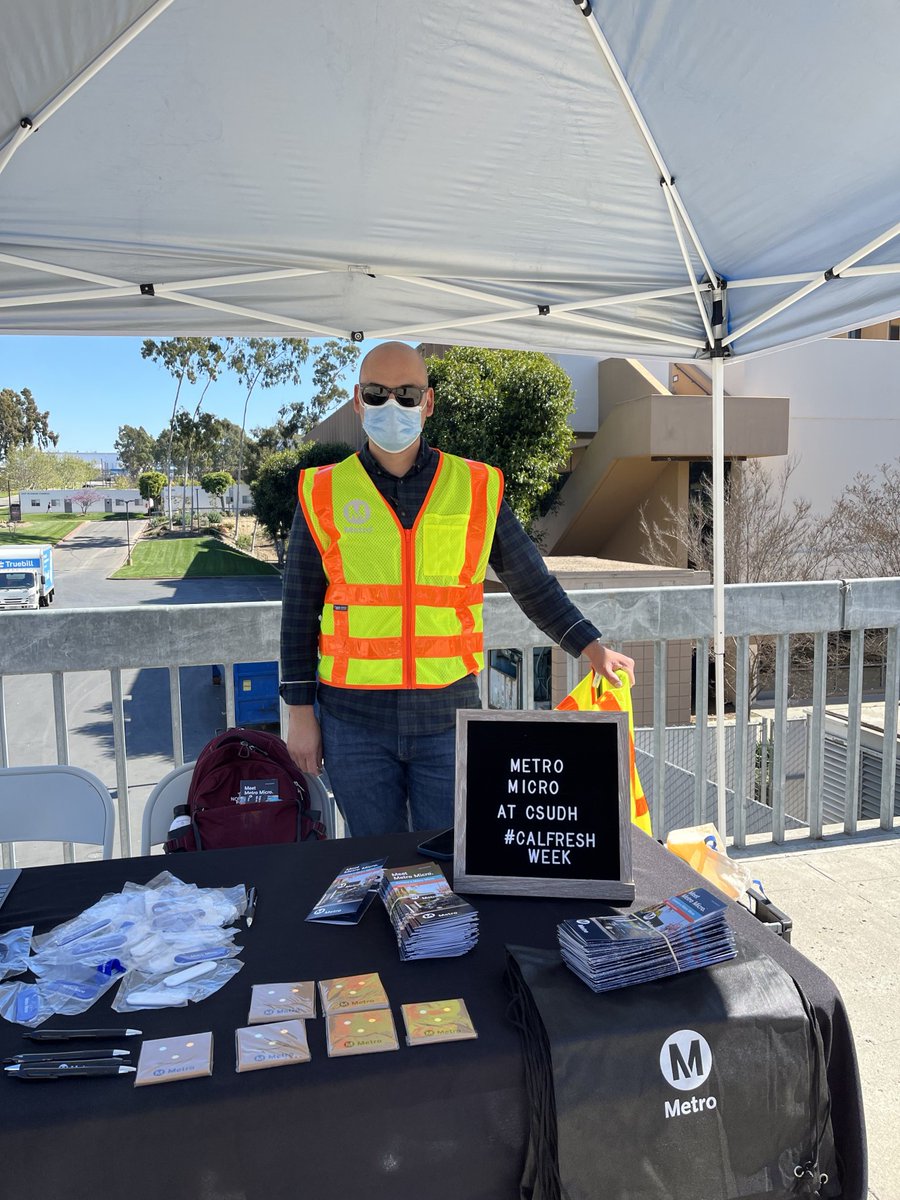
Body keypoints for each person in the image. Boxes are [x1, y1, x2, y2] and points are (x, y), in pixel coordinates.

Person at [280, 341, 635, 836]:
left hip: (448, 720)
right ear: (358, 401)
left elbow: (530, 581)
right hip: (353, 722)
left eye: (406, 395)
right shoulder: (322, 491)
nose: (392, 406)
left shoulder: (474, 487)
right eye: (377, 393)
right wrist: (300, 713)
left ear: (428, 403)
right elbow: (298, 612)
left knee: (450, 862)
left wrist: (590, 646)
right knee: (378, 861)